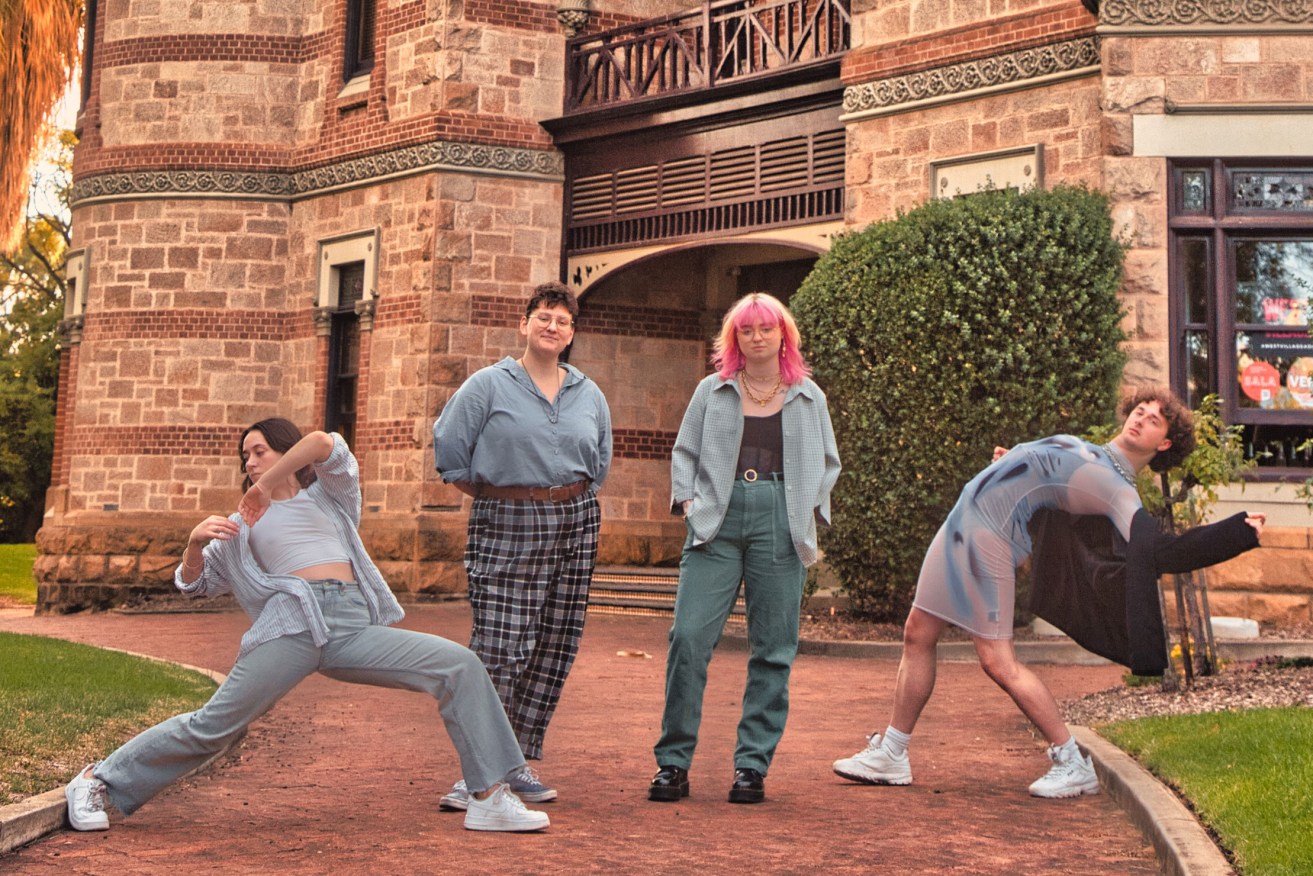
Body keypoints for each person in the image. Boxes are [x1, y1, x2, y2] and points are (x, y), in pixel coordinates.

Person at [64, 420, 550, 834]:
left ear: (282, 451)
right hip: (291, 627)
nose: (251, 461)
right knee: (214, 725)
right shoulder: (241, 525)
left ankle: (488, 797)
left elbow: (325, 442)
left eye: (261, 450)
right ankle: (97, 781)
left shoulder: (329, 498)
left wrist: (265, 482)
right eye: (246, 456)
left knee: (459, 665)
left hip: (352, 626)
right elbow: (195, 586)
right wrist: (193, 546)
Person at [832, 387, 1265, 798]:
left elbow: (1161, 551)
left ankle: (1070, 760)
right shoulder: (1090, 449)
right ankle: (892, 753)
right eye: (1140, 410)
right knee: (917, 633)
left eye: (1154, 421)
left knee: (998, 661)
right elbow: (1040, 473)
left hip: (990, 538)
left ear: (1165, 445)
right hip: (962, 523)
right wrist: (1009, 463)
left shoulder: (1119, 491)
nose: (1142, 419)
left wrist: (1235, 532)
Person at [648, 292, 841, 805]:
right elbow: (684, 451)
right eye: (746, 330)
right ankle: (673, 763)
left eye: (766, 329)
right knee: (688, 638)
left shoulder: (808, 396)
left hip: (780, 517)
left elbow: (828, 461)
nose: (756, 337)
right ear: (734, 339)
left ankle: (751, 767)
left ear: (783, 336)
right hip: (717, 519)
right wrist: (689, 504)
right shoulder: (712, 391)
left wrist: (805, 511)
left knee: (773, 648)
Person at [432, 281, 612, 810]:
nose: (551, 326)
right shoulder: (488, 385)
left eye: (562, 320)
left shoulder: (588, 393)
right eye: (543, 316)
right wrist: (502, 495)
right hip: (507, 518)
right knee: (499, 647)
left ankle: (513, 762)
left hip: (575, 520)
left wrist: (565, 499)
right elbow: (450, 453)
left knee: (554, 642)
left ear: (571, 333)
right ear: (525, 324)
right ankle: (477, 773)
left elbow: (598, 462)